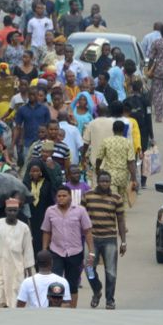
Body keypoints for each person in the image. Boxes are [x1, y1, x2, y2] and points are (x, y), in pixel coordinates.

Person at [40, 185, 93, 308]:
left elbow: (88, 231)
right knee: (55, 282)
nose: (61, 198)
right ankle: (55, 309)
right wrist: (44, 250)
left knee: (72, 284)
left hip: (75, 252)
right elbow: (46, 231)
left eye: (64, 196)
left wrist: (91, 251)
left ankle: (72, 309)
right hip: (56, 251)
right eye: (59, 196)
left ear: (70, 197)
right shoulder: (50, 211)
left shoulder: (80, 211)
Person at [83, 170, 127, 310]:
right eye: (102, 181)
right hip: (92, 239)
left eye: (107, 181)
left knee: (111, 272)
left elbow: (120, 220)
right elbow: (80, 217)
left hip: (109, 239)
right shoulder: (88, 196)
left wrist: (123, 241)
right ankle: (97, 290)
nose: (104, 183)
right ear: (97, 181)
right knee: (89, 268)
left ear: (110, 182)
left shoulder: (116, 198)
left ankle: (110, 300)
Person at [0, 197, 34, 308]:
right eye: (9, 210)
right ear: (5, 211)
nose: (12, 213)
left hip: (17, 268)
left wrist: (29, 274)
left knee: (14, 299)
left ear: (18, 211)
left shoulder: (24, 228)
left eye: (14, 210)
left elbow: (28, 251)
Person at [94, 119, 139, 203]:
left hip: (109, 176)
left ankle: (111, 213)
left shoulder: (106, 141)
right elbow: (131, 162)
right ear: (123, 130)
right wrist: (134, 178)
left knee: (111, 198)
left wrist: (97, 169)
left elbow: (99, 158)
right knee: (121, 200)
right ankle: (120, 214)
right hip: (123, 176)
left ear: (113, 129)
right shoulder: (128, 143)